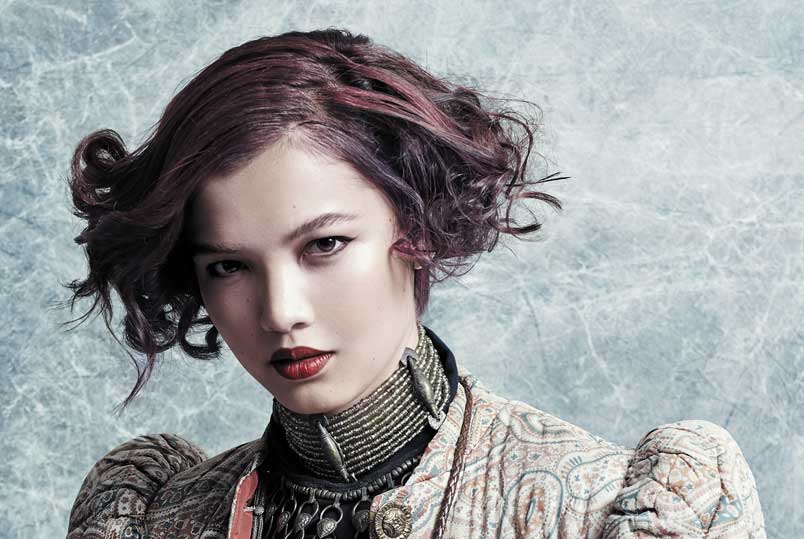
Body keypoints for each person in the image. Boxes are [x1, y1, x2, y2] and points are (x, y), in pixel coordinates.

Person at [63, 28, 765, 539]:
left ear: (417, 227)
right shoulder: (159, 517)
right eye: (229, 266)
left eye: (324, 245)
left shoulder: (597, 507)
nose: (281, 312)